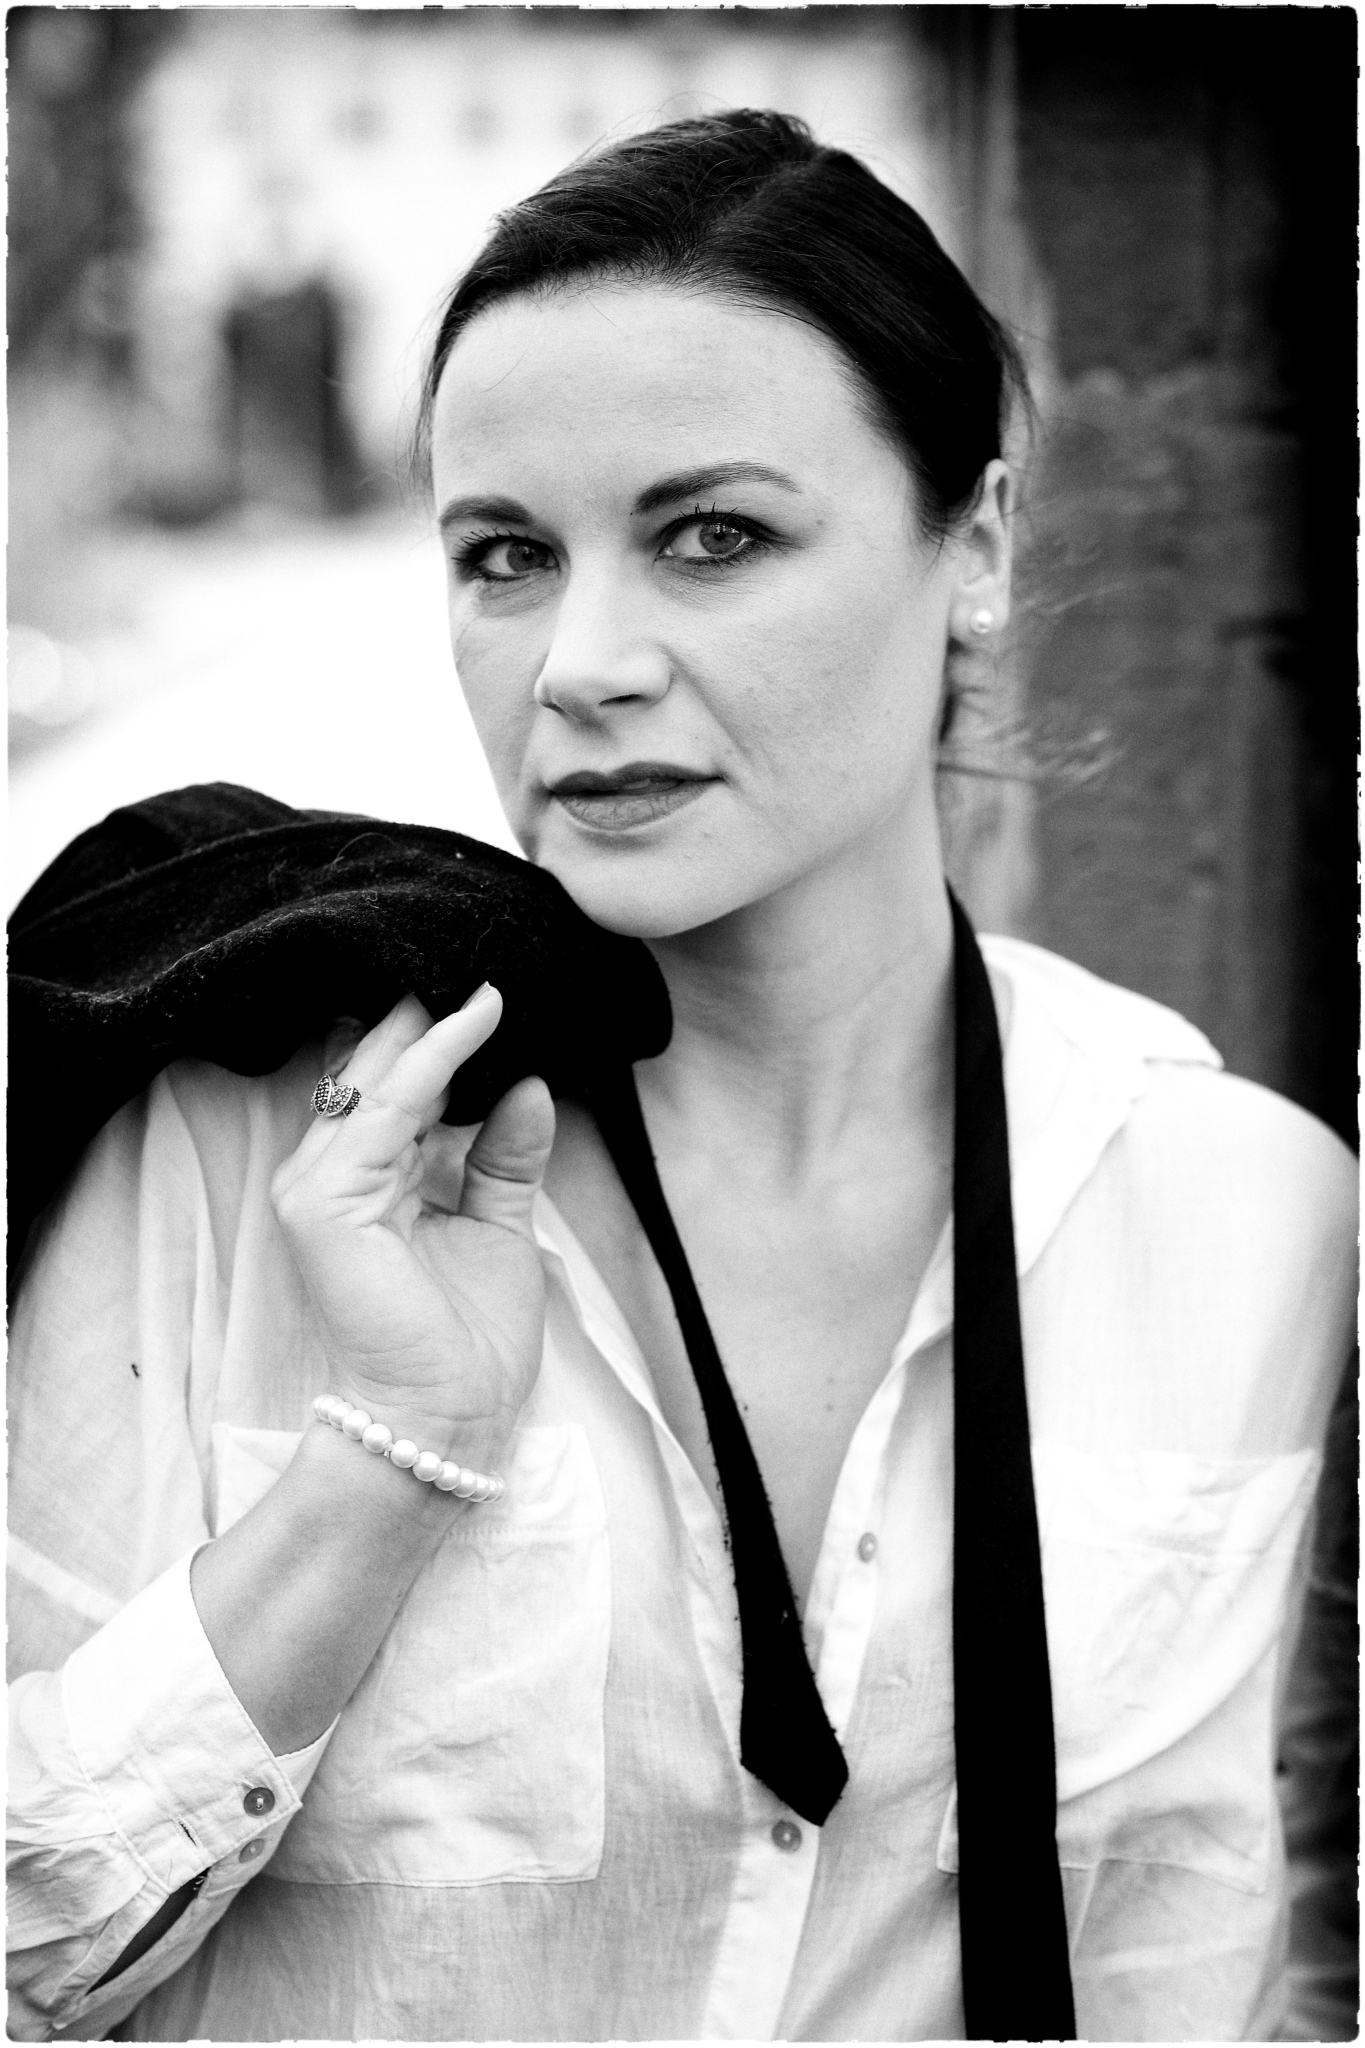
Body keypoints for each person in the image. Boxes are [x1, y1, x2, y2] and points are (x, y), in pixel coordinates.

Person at [6, 109, 1356, 2044]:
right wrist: (382, 1466)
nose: (580, 662)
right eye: (505, 556)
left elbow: (1214, 1956)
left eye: (711, 536)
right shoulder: (238, 1145)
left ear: (974, 546)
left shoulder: (1243, 1216)